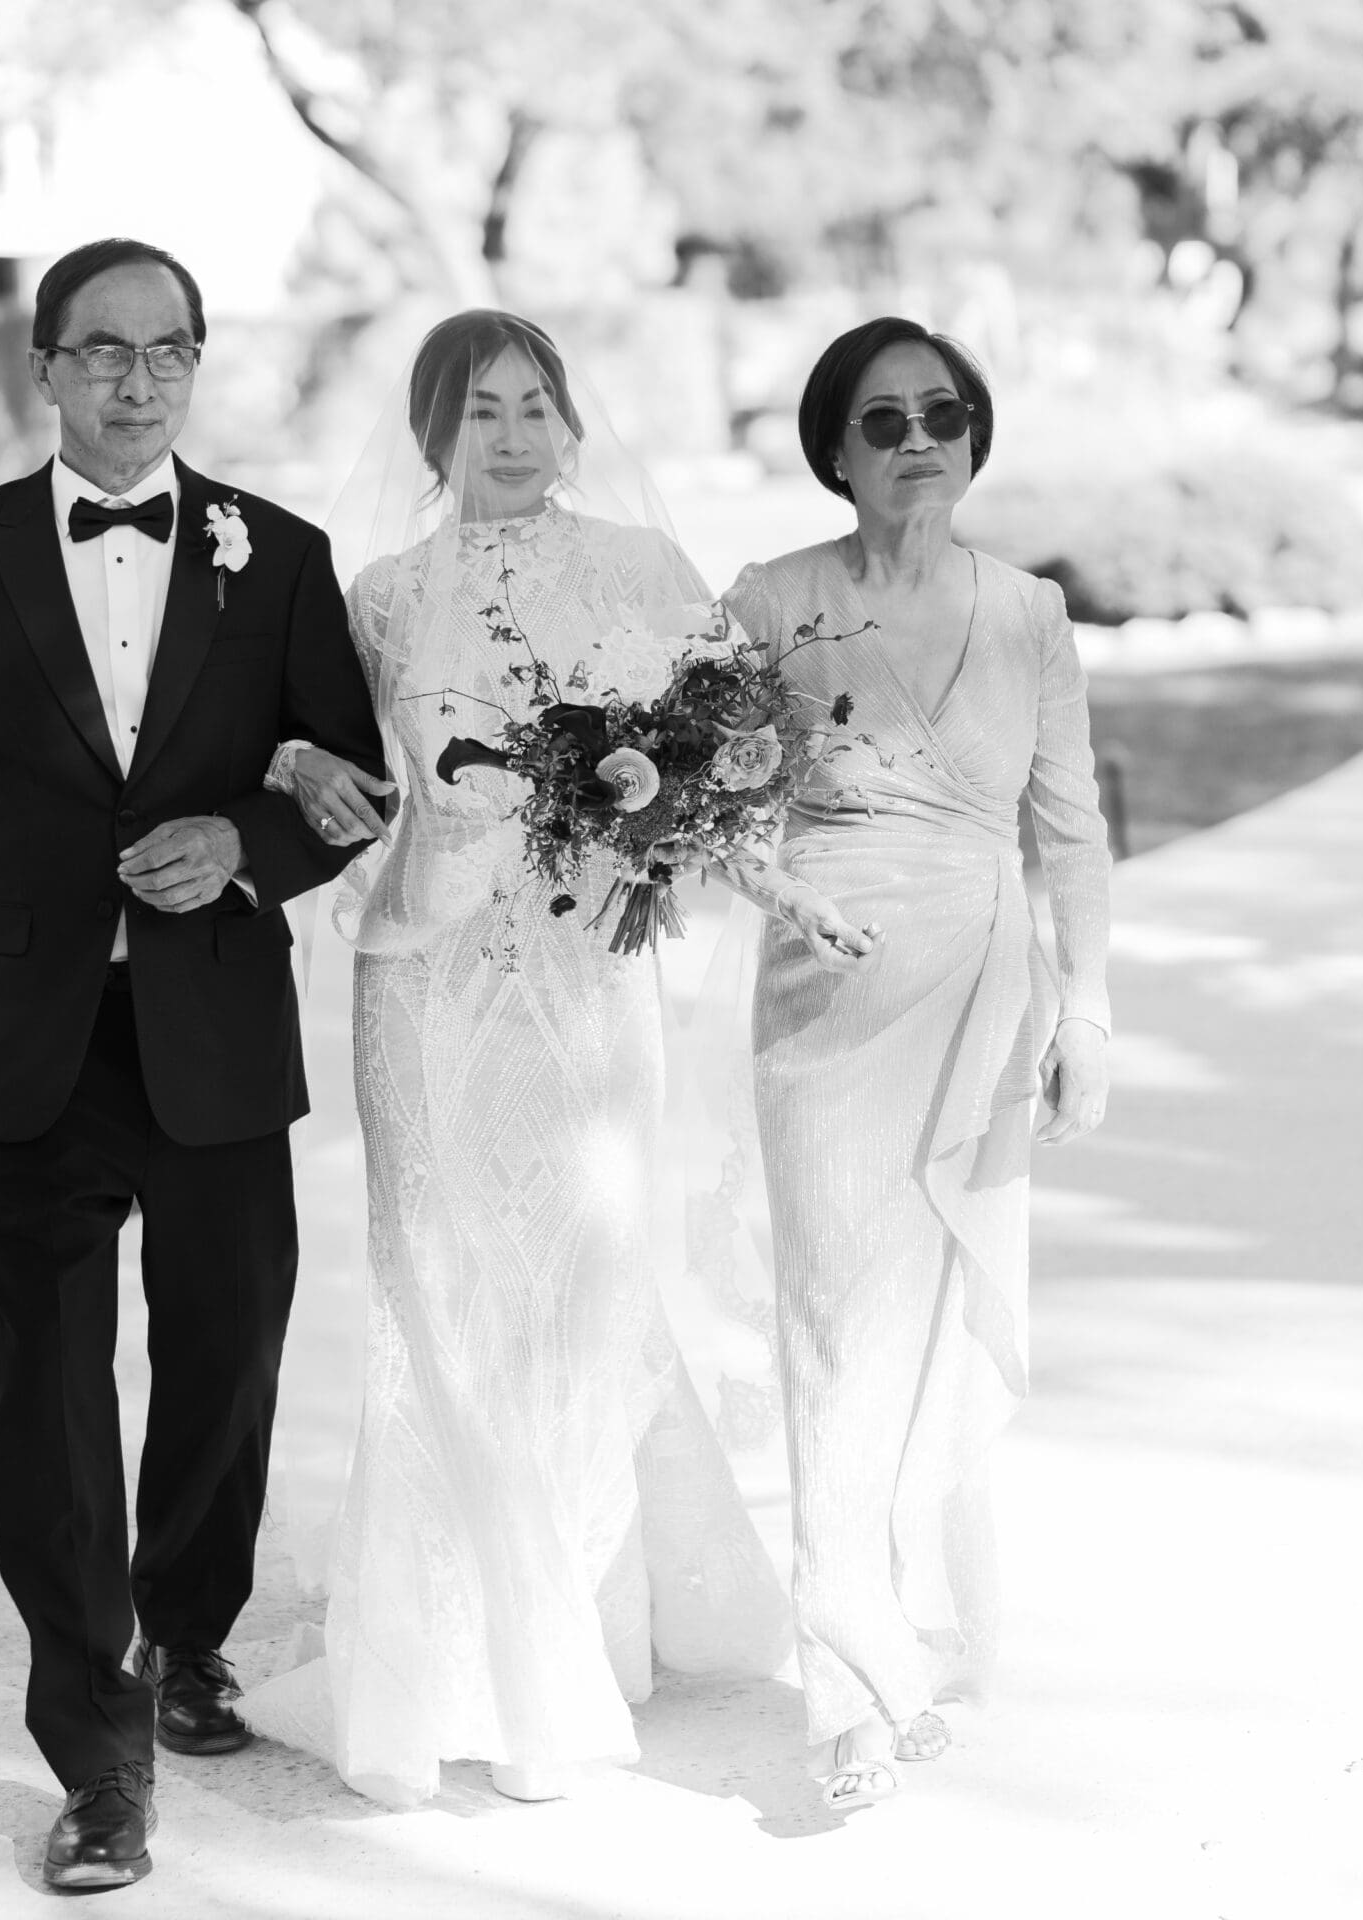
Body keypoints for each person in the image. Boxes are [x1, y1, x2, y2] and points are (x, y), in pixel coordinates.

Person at [243, 311, 853, 1808]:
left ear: (571, 420)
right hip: (427, 978)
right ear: (431, 434)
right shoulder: (381, 595)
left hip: (588, 981)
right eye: (478, 411)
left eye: (533, 405)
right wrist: (337, 786)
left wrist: (699, 828)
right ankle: (447, 1661)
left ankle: (563, 1640)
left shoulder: (645, 573)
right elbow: (316, 762)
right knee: (440, 1289)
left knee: (577, 1292)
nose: (510, 435)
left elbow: (734, 762)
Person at [0, 238, 386, 1891]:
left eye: (166, 351)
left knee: (227, 1364)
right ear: (48, 369)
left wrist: (237, 845)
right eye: (102, 351)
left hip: (215, 1033)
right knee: (53, 1402)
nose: (136, 378)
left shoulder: (279, 556)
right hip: (29, 1047)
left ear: (198, 364)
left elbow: (349, 786)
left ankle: (194, 1633)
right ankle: (94, 1754)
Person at [721, 317, 1113, 1811]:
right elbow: (695, 803)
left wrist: (1090, 1013)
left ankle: (887, 1616)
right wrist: (777, 887)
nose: (918, 441)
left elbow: (1068, 830)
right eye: (882, 421)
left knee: (930, 1321)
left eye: (943, 413)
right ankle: (847, 1691)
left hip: (985, 998)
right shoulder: (768, 601)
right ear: (835, 448)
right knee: (834, 1318)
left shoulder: (1028, 613)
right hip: (827, 998)